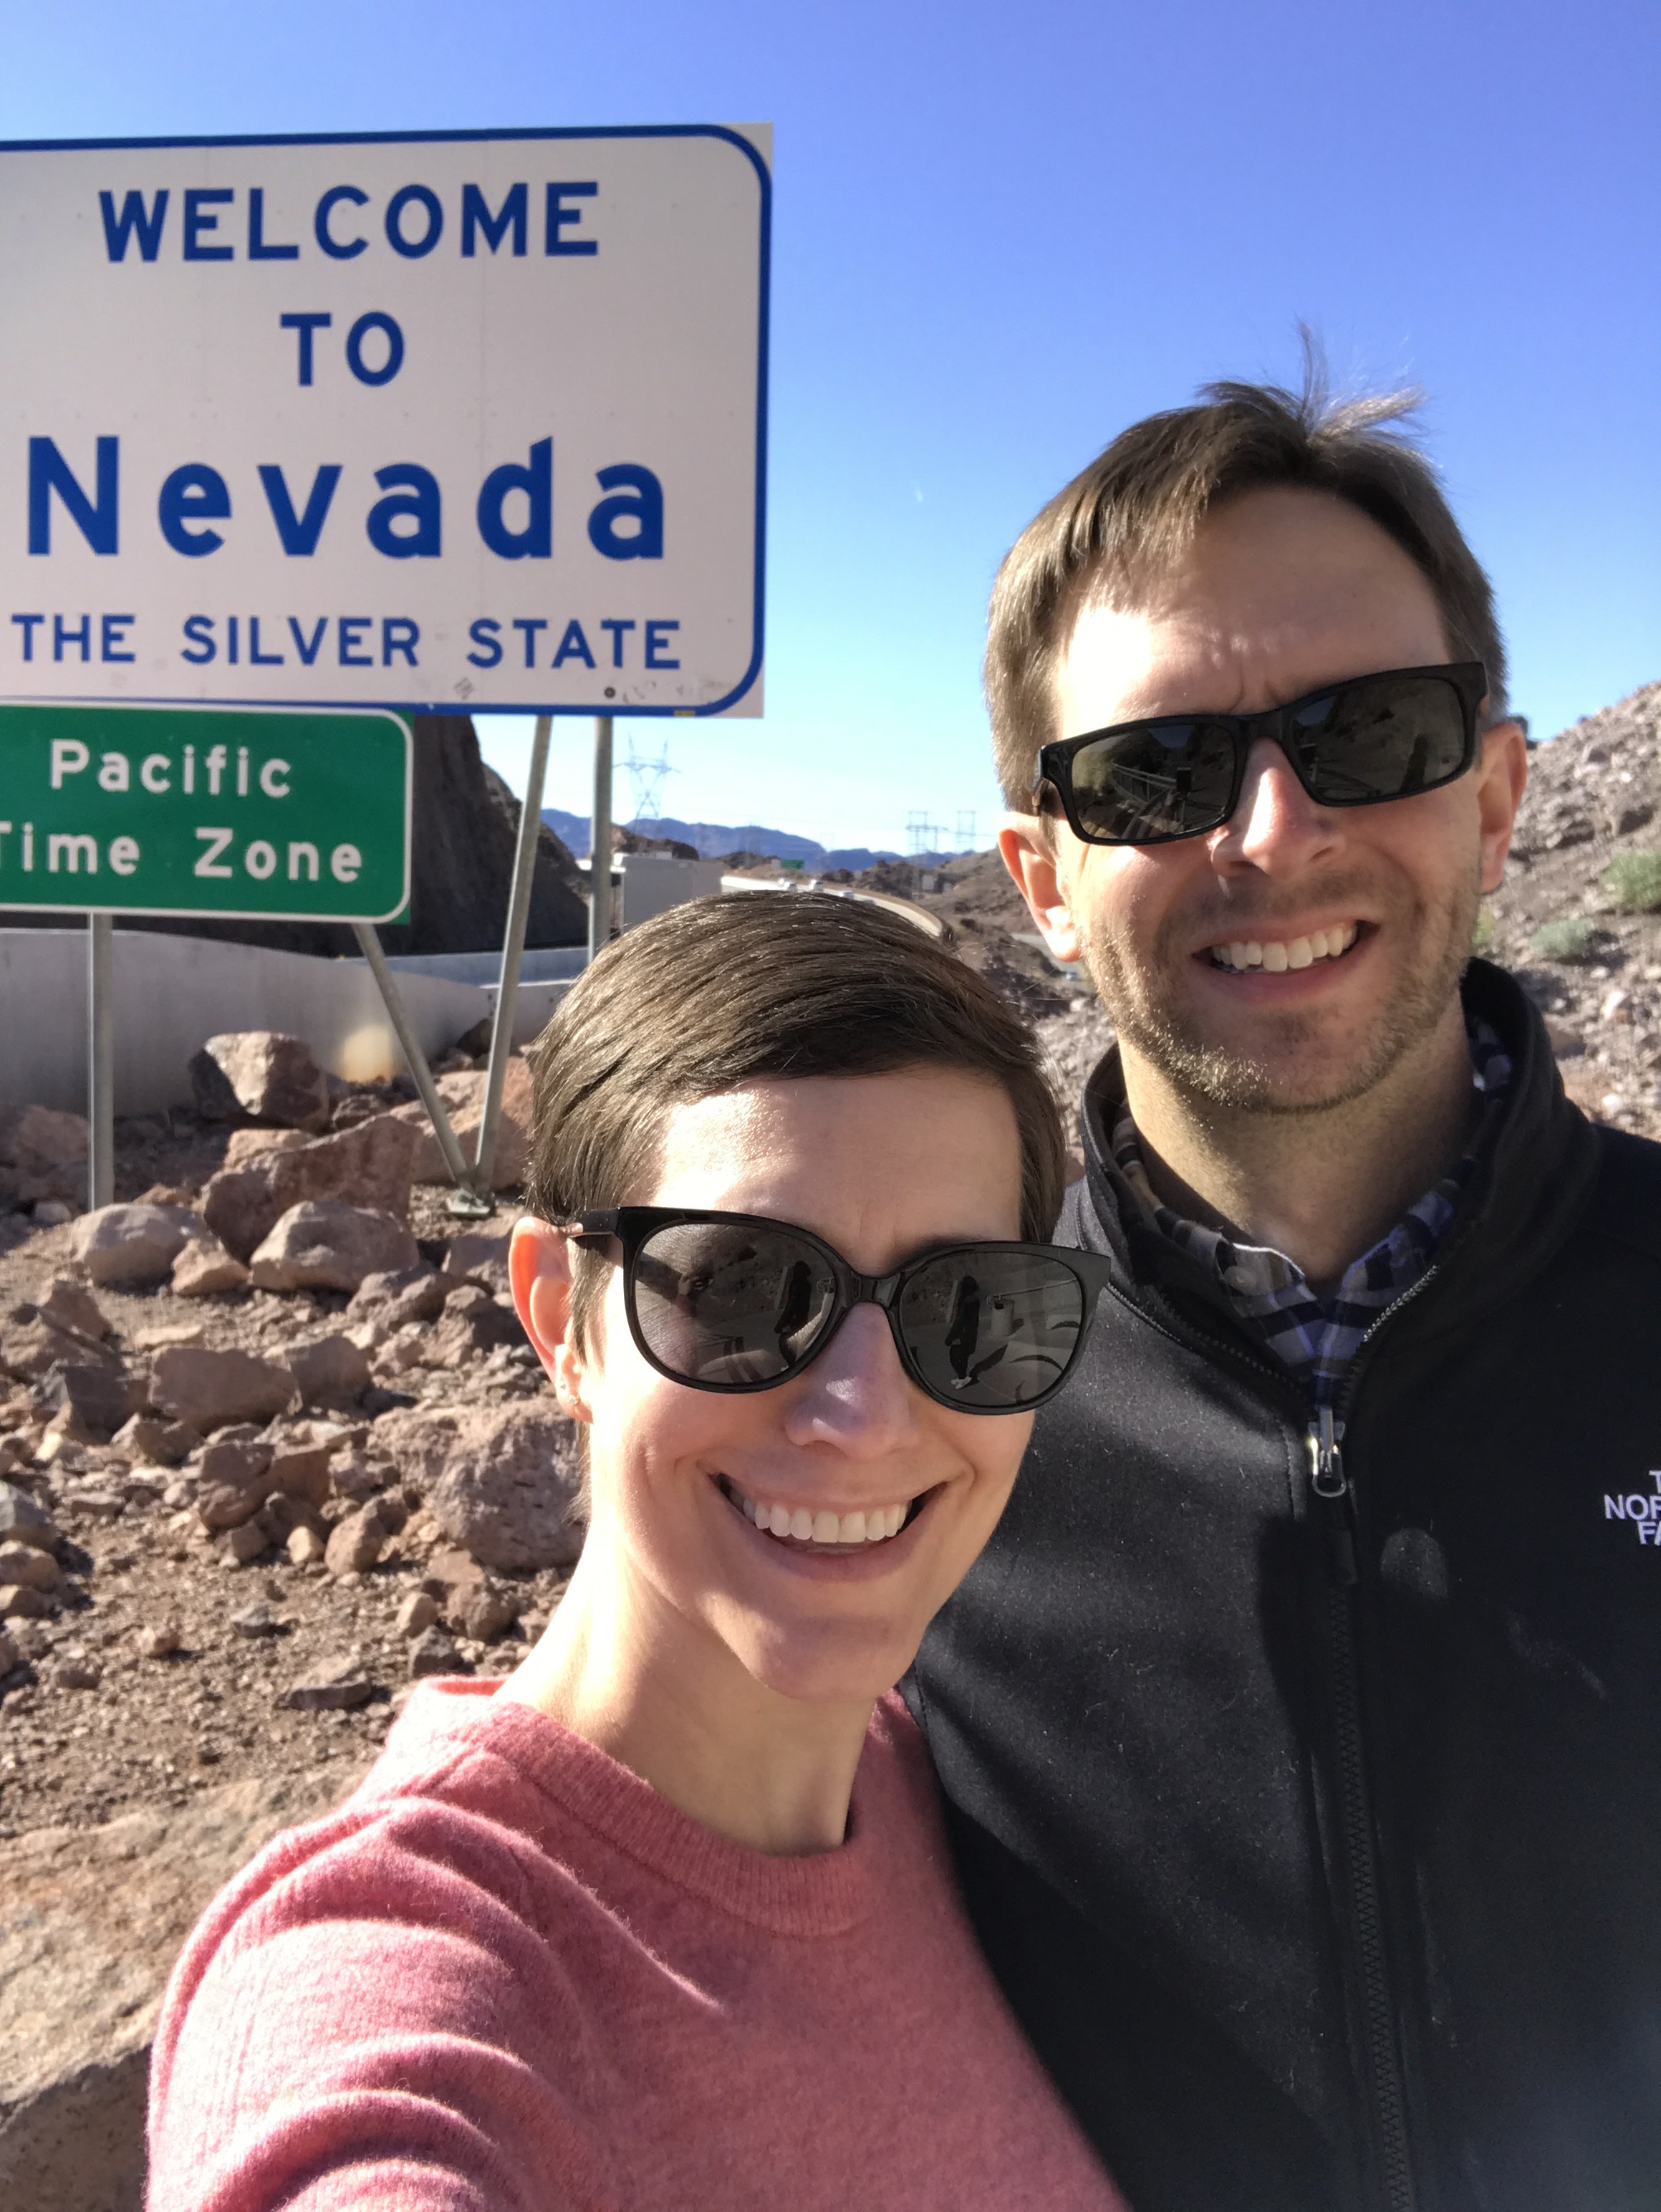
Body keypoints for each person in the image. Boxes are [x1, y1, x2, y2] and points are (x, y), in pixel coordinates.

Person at [910, 370, 1661, 2212]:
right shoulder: (907, 1409)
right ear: (1041, 880)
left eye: (1372, 732)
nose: (1270, 829)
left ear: (1494, 800)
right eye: (1155, 772)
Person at [145, 892, 1129, 2212]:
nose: (864, 1417)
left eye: (969, 1308)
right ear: (563, 1316)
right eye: (742, 1290)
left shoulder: (972, 1804)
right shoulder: (389, 1970)